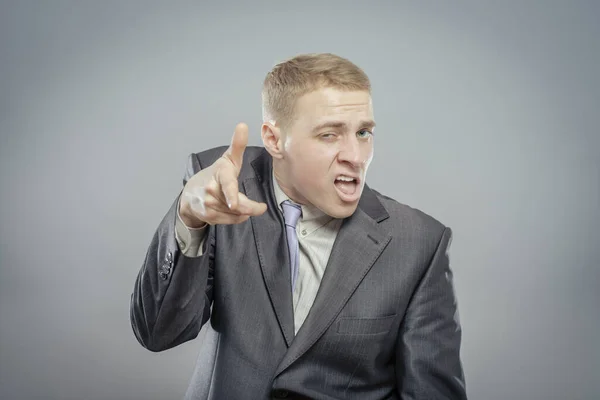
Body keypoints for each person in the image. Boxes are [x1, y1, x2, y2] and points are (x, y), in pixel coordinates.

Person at [130, 53, 467, 399]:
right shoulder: (222, 186)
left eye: (363, 132)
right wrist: (190, 218)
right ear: (275, 141)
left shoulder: (418, 243)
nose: (356, 155)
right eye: (329, 135)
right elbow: (158, 332)